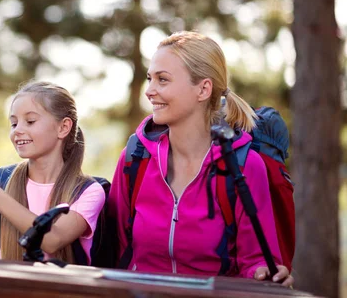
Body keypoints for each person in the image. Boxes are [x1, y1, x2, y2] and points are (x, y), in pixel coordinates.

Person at [108, 32, 293, 286]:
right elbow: (114, 248)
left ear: (203, 89)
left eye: (163, 80)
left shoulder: (243, 165)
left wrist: (262, 272)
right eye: (150, 79)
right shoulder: (135, 158)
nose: (149, 91)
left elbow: (255, 261)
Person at [0, 81, 105, 264]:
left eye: (30, 121)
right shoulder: (3, 181)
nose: (18, 131)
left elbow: (52, 240)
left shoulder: (88, 191)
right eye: (14, 123)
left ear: (63, 127)